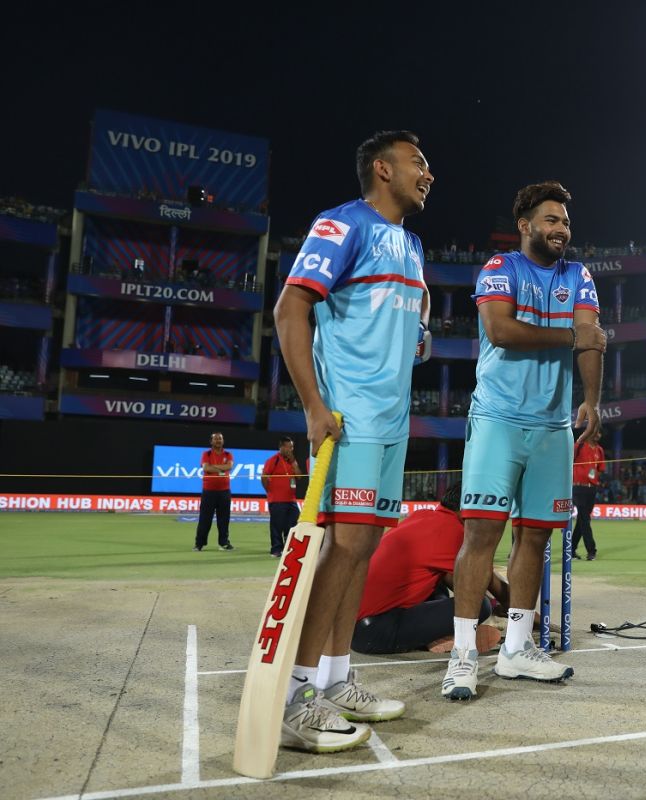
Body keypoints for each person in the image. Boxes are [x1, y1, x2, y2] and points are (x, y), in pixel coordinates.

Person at [273, 130, 434, 753]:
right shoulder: (342, 224)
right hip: (352, 416)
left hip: (392, 419)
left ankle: (337, 678)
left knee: (361, 547)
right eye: (417, 163)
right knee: (340, 549)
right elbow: (292, 309)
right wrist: (314, 406)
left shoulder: (413, 245)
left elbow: (401, 328)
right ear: (381, 169)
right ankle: (297, 697)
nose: (428, 174)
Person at [441, 181, 606, 701]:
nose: (562, 230)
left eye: (566, 222)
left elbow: (591, 337)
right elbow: (501, 330)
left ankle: (515, 647)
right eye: (552, 220)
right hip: (498, 419)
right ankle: (464, 654)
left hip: (554, 425)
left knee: (535, 537)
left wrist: (592, 401)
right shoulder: (500, 268)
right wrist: (571, 337)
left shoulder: (578, 275)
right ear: (526, 225)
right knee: (482, 535)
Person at [352, 482, 508, 655]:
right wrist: (526, 616)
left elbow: (457, 581)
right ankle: (440, 636)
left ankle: (436, 635)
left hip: (355, 626)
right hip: (374, 632)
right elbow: (487, 588)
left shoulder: (423, 515)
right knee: (480, 605)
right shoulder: (453, 532)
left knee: (437, 581)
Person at [260, 435, 301, 557]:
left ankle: (289, 548)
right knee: (277, 526)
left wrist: (293, 462)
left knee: (293, 525)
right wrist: (270, 491)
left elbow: (298, 476)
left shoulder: (292, 461)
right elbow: (264, 477)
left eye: (292, 447)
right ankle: (276, 550)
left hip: (291, 500)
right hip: (277, 500)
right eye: (289, 447)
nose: (291, 449)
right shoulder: (273, 460)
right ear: (281, 447)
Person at [193, 432, 234, 551]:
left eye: (220, 439)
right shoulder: (206, 454)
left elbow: (229, 467)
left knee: (224, 520)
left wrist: (214, 467)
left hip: (224, 492)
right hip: (209, 492)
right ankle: (199, 544)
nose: (218, 441)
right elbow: (206, 468)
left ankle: (224, 543)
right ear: (211, 441)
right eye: (216, 439)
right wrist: (222, 467)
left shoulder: (228, 454)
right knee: (205, 519)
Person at [571, 428, 605, 560]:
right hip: (579, 487)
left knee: (582, 520)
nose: (598, 435)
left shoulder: (599, 450)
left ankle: (571, 550)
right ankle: (591, 550)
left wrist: (592, 479)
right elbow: (569, 459)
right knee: (585, 518)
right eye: (596, 432)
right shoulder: (578, 446)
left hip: (592, 488)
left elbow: (600, 469)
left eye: (599, 432)